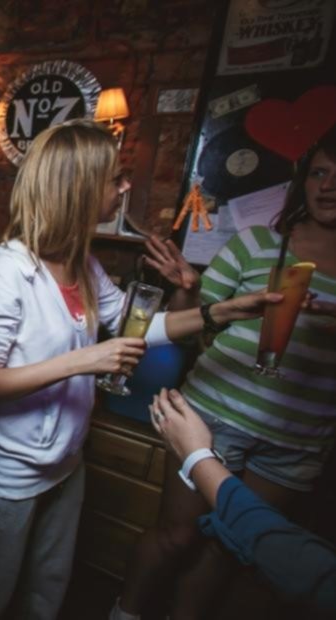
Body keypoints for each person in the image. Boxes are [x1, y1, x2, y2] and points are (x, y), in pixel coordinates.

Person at [0, 119, 282, 620]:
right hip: (8, 472)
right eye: (115, 178)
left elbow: (140, 325)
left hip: (66, 463)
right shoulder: (5, 271)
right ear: (78, 188)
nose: (124, 188)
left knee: (46, 589)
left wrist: (223, 311)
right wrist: (84, 360)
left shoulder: (83, 264)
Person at [115, 128, 336, 620]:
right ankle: (125, 613)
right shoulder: (258, 244)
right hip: (214, 416)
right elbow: (188, 327)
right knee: (177, 537)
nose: (328, 186)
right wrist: (188, 290)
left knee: (231, 548)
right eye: (319, 173)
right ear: (304, 180)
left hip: (296, 440)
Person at [149, 388, 336, 615]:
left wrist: (196, 457)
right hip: (221, 406)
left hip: (302, 435)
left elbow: (278, 551)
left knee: (226, 551)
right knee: (176, 535)